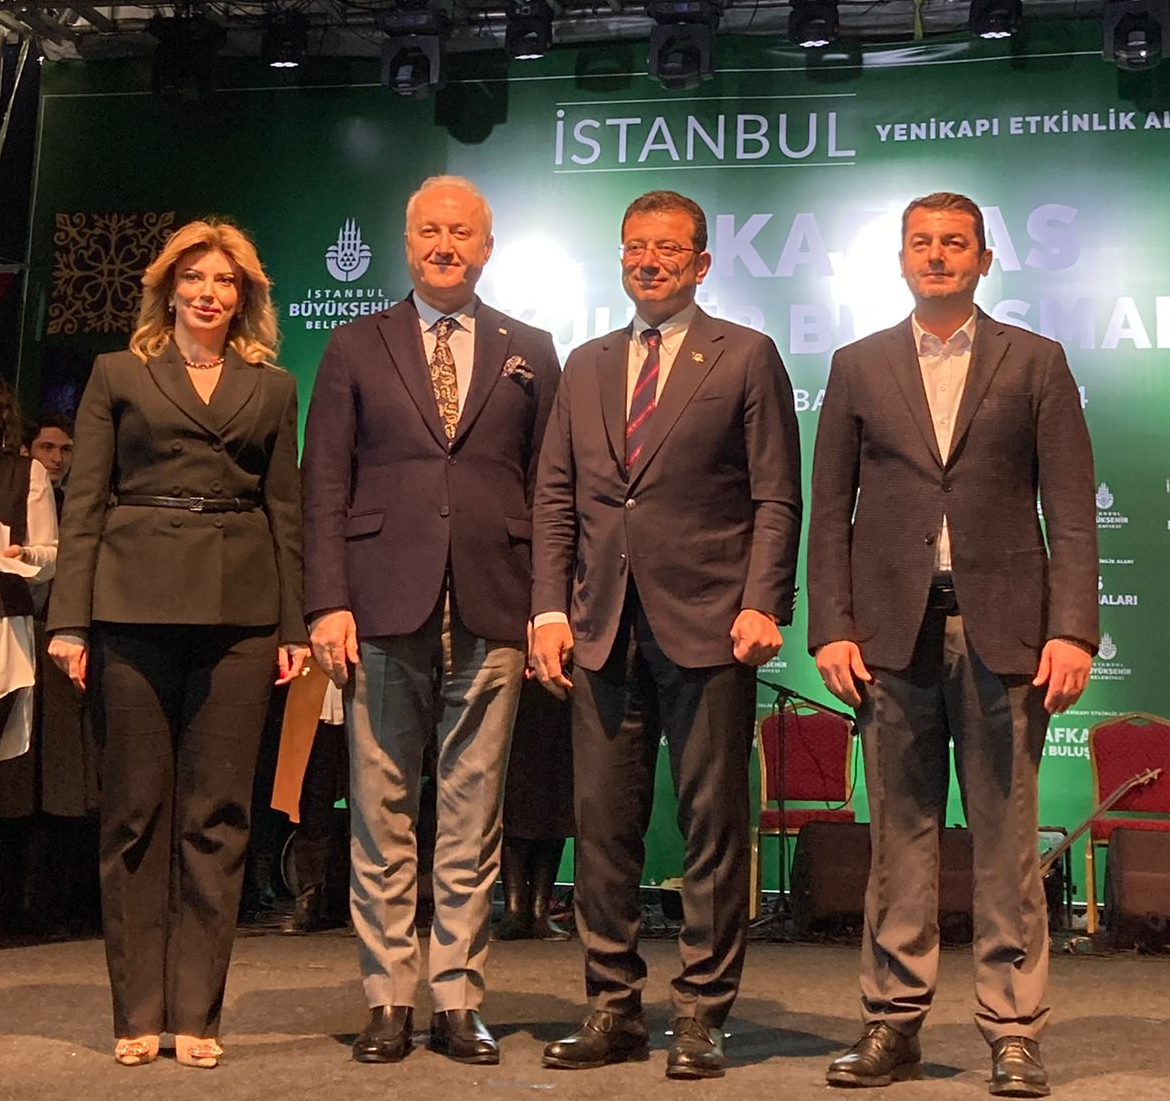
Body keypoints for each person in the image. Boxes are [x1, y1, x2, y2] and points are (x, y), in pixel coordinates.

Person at [807, 192, 1097, 1098]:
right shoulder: (857, 365)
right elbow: (830, 513)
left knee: (1007, 839)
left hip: (1004, 631)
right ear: (900, 258)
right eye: (923, 243)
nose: (938, 256)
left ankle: (1014, 1028)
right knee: (901, 836)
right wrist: (830, 626)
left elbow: (1072, 509)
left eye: (955, 243)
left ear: (983, 258)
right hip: (892, 634)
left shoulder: (1037, 361)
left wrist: (1072, 627)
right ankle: (893, 1023)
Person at [531, 189, 802, 1080]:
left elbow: (775, 495)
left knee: (711, 830)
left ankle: (701, 1015)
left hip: (712, 627)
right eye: (635, 248)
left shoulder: (747, 355)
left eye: (668, 249)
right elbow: (558, 498)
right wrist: (547, 609)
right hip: (602, 628)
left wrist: (764, 601)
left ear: (701, 263)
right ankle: (611, 1006)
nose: (649, 261)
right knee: (602, 829)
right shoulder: (588, 361)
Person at [302, 175, 560, 1066]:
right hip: (377, 605)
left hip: (495, 602)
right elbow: (325, 484)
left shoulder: (530, 347)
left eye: (462, 231)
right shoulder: (352, 344)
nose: (445, 243)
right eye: (428, 230)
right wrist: (326, 600)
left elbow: (550, 488)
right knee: (379, 811)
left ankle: (456, 996)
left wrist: (547, 603)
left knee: (472, 814)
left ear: (488, 245)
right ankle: (387, 998)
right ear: (404, 242)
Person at [47, 219, 307, 1069]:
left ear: (246, 296)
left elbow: (288, 514)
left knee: (219, 814)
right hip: (130, 604)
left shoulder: (272, 388)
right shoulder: (117, 373)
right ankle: (137, 1012)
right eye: (193, 276)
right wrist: (71, 621)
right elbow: (84, 501)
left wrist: (295, 626)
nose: (207, 291)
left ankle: (196, 1011)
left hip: (241, 615)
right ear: (167, 288)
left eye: (225, 280)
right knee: (134, 811)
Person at [496, 677, 573, 941]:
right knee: (512, 795)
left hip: (559, 683)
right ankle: (514, 910)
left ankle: (541, 911)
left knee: (555, 794)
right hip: (511, 679)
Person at [23, 413, 74, 502]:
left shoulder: (76, 505)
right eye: (47, 447)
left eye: (66, 449)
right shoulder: (9, 502)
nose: (58, 459)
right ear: (25, 452)